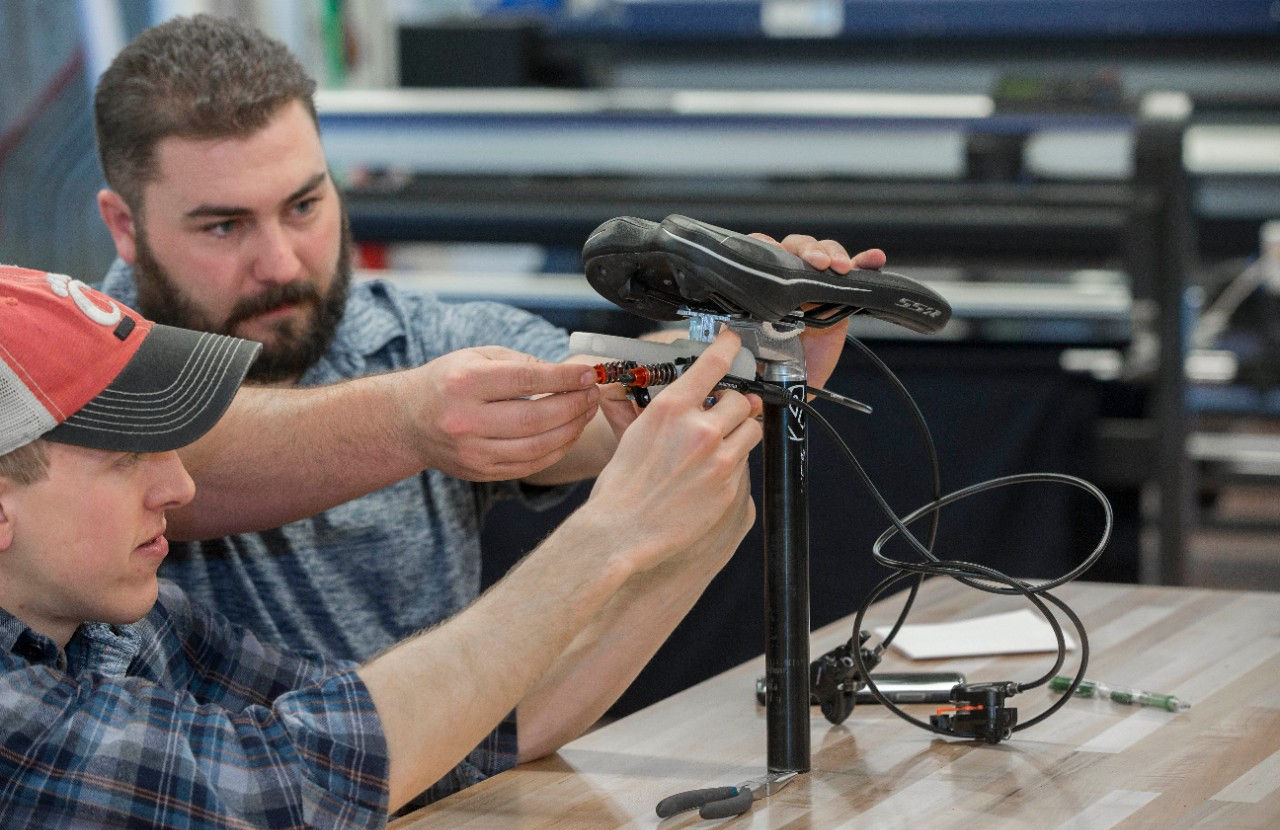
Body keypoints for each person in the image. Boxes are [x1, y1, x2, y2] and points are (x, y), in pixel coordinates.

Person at [90, 15, 880, 698]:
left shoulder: (419, 340)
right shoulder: (57, 380)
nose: (282, 263)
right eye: (222, 227)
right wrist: (408, 421)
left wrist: (756, 349)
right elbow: (154, 450)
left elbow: (614, 399)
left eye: (304, 205)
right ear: (124, 226)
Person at [0, 264, 759, 830]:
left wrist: (688, 531)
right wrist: (612, 534)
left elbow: (461, 735)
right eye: (127, 456)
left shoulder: (125, 621)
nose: (180, 484)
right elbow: (293, 789)